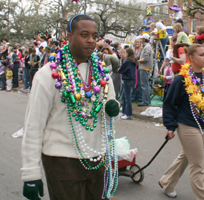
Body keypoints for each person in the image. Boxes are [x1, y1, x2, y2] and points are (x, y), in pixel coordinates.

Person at [21, 14, 118, 200]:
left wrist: (113, 109)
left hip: (97, 159)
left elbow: (110, 116)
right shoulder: (48, 74)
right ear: (69, 36)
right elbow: (33, 126)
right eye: (84, 34)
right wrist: (30, 173)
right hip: (61, 162)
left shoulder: (102, 73)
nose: (91, 40)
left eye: (94, 36)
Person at [160, 44, 204, 200]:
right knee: (197, 166)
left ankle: (167, 181)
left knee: (187, 156)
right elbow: (169, 103)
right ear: (191, 58)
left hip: (203, 124)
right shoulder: (181, 79)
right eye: (201, 55)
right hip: (187, 125)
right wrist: (170, 126)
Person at [118, 48, 136, 120]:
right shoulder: (133, 61)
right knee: (125, 96)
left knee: (127, 97)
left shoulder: (127, 62)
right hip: (131, 79)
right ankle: (125, 112)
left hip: (126, 79)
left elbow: (121, 70)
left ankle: (128, 114)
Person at [137, 33, 153, 107]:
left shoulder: (147, 47)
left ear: (144, 39)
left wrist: (139, 61)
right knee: (146, 85)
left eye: (141, 38)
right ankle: (147, 100)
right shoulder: (147, 46)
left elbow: (146, 59)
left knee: (144, 85)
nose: (140, 40)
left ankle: (145, 101)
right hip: (145, 68)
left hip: (144, 68)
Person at [132, 37, 142, 102]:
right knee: (133, 82)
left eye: (138, 42)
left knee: (139, 83)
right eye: (136, 42)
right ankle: (133, 96)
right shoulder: (132, 50)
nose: (137, 43)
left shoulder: (141, 50)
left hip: (139, 67)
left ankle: (139, 97)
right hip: (133, 67)